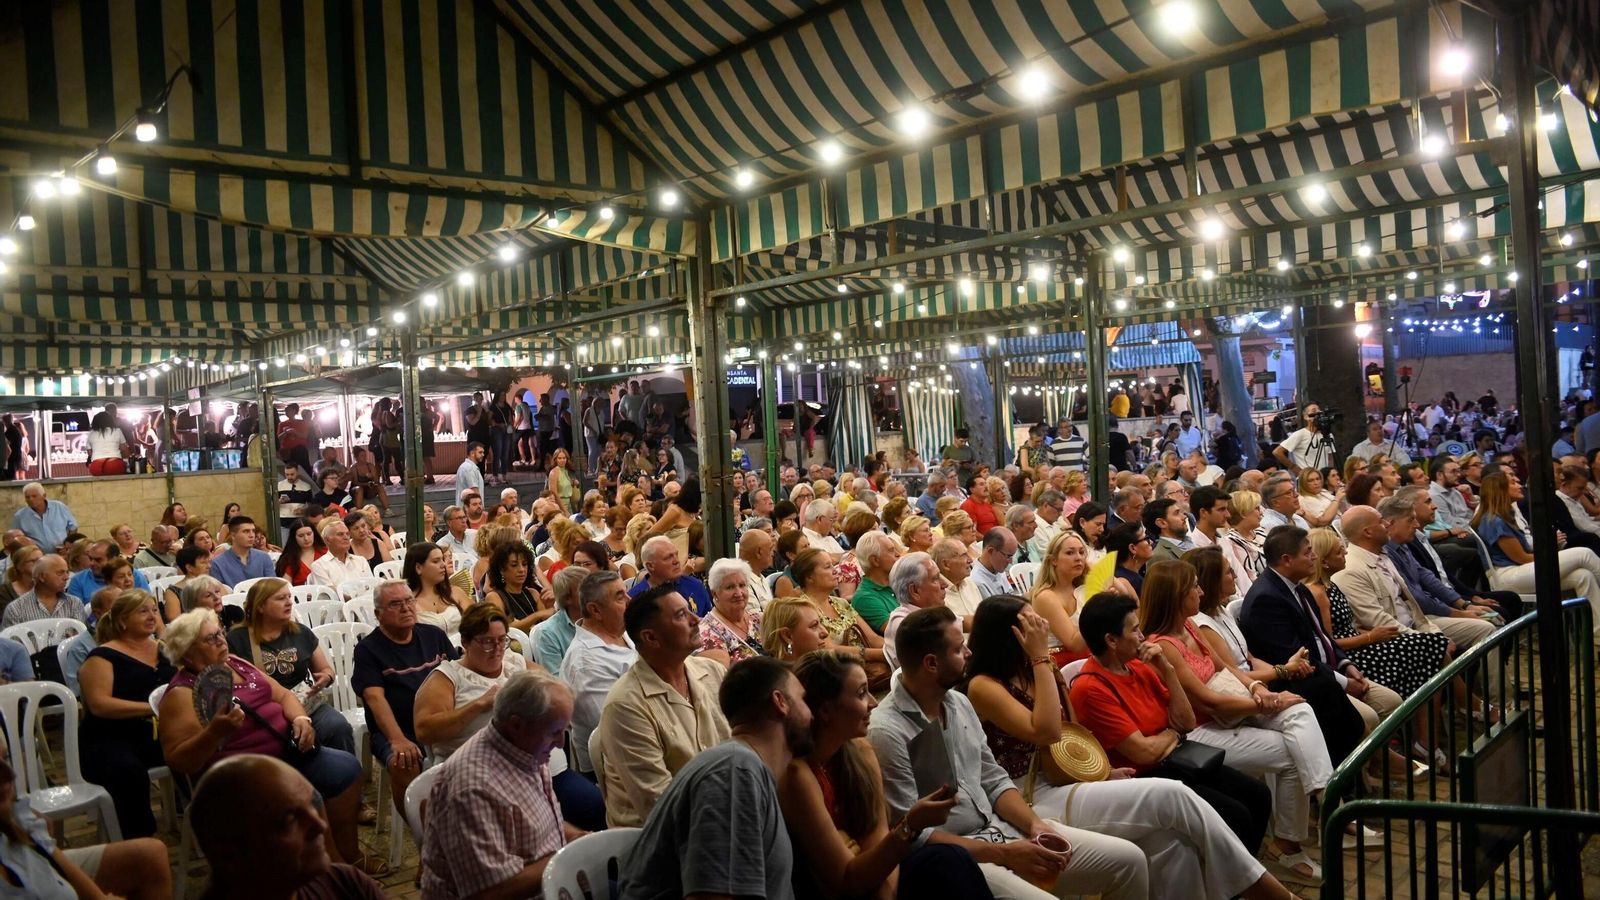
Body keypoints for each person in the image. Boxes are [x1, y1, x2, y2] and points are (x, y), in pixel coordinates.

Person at [964, 596, 1295, 900]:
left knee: (1174, 846)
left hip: (1066, 781)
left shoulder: (1040, 671)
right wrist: (1041, 658)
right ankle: (1267, 891)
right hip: (1027, 795)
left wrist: (1103, 773)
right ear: (1009, 633)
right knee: (1173, 794)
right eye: (1032, 622)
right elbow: (1048, 732)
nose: (1043, 627)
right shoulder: (985, 685)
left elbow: (1075, 738)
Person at [870, 605, 1152, 899]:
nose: (968, 653)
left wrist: (1036, 825)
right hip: (960, 855)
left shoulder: (957, 702)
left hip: (1002, 827)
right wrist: (1004, 853)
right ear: (931, 663)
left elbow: (993, 779)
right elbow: (912, 836)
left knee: (1129, 861)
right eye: (958, 649)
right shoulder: (887, 731)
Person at [1139, 561, 1331, 884]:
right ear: (1176, 595)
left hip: (1230, 711)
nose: (1200, 592)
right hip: (1200, 729)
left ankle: (1325, 792)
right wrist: (1263, 702)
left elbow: (1226, 668)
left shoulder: (1188, 627)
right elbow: (1206, 701)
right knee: (1292, 751)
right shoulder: (1164, 645)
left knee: (1299, 711)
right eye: (1194, 587)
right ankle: (1290, 840)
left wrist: (1257, 688)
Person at [1068, 593, 1274, 856]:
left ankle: (1239, 881)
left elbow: (1186, 721)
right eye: (1135, 630)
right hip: (1141, 779)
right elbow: (1142, 752)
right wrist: (1173, 733)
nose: (1143, 636)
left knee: (1257, 795)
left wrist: (1166, 669)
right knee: (1237, 815)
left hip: (1175, 760)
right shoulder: (1091, 688)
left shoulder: (1139, 667)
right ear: (1111, 640)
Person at [159, 608, 367, 869]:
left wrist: (301, 720)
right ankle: (330, 871)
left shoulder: (235, 662)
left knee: (346, 768)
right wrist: (215, 733)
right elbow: (180, 760)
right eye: (210, 639)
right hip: (239, 777)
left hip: (286, 753)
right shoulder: (182, 693)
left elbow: (283, 696)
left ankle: (348, 856)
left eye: (220, 633)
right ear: (187, 651)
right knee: (307, 795)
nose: (221, 640)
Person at [781, 649, 996, 899]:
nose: (873, 702)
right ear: (826, 710)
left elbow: (879, 846)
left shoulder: (860, 752)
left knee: (948, 860)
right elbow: (846, 879)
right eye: (861, 693)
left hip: (877, 883)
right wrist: (911, 825)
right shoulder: (797, 774)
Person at [616, 657, 804, 900]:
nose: (813, 713)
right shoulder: (735, 775)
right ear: (780, 703)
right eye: (804, 699)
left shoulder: (748, 768)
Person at [419, 670, 581, 900]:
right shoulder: (472, 788)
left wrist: (579, 838)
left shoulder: (525, 749)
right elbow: (488, 893)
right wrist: (568, 857)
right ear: (516, 725)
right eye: (554, 733)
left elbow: (534, 823)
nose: (560, 743)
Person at [1238, 527, 1397, 750]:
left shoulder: (1297, 586)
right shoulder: (1266, 599)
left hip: (1329, 669)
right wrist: (1343, 682)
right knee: (1368, 717)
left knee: (1392, 701)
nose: (1314, 557)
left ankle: (1375, 766)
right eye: (1307, 552)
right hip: (1300, 682)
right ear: (1286, 559)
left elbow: (1323, 637)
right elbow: (1296, 659)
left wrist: (1346, 664)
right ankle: (1359, 774)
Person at [596, 584, 732, 827]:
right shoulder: (625, 706)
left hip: (720, 812)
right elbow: (660, 806)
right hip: (659, 839)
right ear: (651, 637)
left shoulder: (712, 672)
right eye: (681, 615)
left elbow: (739, 752)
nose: (697, 619)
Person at [189, 755, 387, 900]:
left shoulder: (345, 883)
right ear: (229, 853)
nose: (320, 825)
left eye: (311, 806)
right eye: (290, 820)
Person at [352, 580, 459, 817]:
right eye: (395, 604)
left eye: (409, 601)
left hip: (439, 722)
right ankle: (423, 831)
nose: (406, 608)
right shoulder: (368, 649)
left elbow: (459, 674)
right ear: (378, 614)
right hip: (398, 728)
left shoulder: (434, 635)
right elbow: (375, 699)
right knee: (403, 761)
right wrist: (397, 739)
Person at [1304, 528, 1450, 701]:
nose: (1345, 552)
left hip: (1361, 643)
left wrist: (1373, 635)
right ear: (1325, 562)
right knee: (1432, 648)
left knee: (1432, 647)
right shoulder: (1318, 593)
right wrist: (1370, 637)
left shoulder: (1330, 585)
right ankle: (1466, 710)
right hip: (1353, 655)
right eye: (1338, 551)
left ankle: (1440, 722)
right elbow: (1330, 644)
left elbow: (1346, 629)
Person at [78, 590, 174, 838]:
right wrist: (151, 708)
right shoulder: (102, 657)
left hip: (158, 733)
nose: (152, 616)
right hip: (111, 738)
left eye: (154, 610)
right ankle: (137, 839)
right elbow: (100, 705)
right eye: (143, 611)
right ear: (122, 620)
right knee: (127, 771)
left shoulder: (164, 650)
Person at [1472, 469, 1600, 642]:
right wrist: (1553, 552)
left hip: (1521, 570)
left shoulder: (1505, 515)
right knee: (1584, 553)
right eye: (1513, 482)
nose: (1519, 485)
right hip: (1508, 576)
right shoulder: (1494, 521)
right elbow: (1522, 558)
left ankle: (1597, 635)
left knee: (1583, 576)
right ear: (1500, 489)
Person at [227, 578, 353, 753]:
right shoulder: (237, 639)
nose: (289, 602)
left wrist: (326, 677)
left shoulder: (301, 632)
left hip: (306, 703)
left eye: (289, 597)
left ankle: (344, 774)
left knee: (339, 727)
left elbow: (326, 669)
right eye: (280, 598)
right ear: (260, 606)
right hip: (267, 707)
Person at [559, 569, 637, 773]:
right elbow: (615, 727)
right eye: (620, 596)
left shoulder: (625, 634)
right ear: (595, 610)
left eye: (626, 592)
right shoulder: (585, 662)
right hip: (614, 769)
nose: (630, 600)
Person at [699, 559, 767, 664]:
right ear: (715, 594)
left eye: (742, 585)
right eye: (730, 587)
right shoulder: (708, 633)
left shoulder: (758, 620)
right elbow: (719, 678)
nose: (739, 593)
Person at [628, 535, 713, 615]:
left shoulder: (695, 585)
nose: (676, 561)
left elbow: (710, 623)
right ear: (650, 566)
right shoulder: (634, 600)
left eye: (676, 554)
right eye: (668, 557)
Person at [404, 542, 472, 636]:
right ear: (418, 568)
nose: (443, 564)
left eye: (443, 560)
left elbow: (477, 622)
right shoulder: (407, 604)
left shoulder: (455, 592)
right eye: (436, 561)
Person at [2, 553, 86, 627]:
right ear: (42, 577)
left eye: (67, 572)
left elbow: (80, 638)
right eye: (60, 573)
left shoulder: (74, 603)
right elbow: (11, 643)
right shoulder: (16, 609)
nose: (66, 577)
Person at [209, 516, 276, 588]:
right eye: (246, 531)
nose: (252, 535)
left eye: (253, 531)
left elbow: (273, 586)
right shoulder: (217, 563)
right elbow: (218, 592)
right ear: (233, 536)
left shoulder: (264, 557)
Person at [1220, 490, 1267, 593]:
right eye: (1257, 508)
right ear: (1244, 512)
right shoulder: (1233, 541)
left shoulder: (1261, 532)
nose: (1261, 512)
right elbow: (1250, 580)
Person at [11, 484, 76, 553]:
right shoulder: (20, 516)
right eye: (27, 497)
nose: (31, 499)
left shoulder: (59, 507)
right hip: (37, 558)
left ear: (44, 496)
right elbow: (18, 538)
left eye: (34, 496)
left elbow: (73, 527)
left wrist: (67, 545)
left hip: (63, 554)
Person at [308, 517, 371, 589]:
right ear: (328, 540)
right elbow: (331, 594)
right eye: (340, 534)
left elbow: (371, 586)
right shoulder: (319, 566)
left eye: (347, 534)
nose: (346, 537)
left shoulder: (361, 561)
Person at [1272, 403, 1336, 473]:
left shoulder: (1327, 434)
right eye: (1314, 411)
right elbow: (1277, 452)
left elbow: (1330, 457)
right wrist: (1294, 468)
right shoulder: (1300, 434)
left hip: (1323, 478)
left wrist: (1330, 474)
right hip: (1308, 479)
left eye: (1319, 410)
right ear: (1306, 417)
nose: (1318, 413)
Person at [274, 518, 323, 587]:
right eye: (301, 536)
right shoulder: (289, 559)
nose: (306, 538)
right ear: (294, 538)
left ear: (314, 533)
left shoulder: (325, 552)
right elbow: (286, 586)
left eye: (309, 534)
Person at [972, 528, 1018, 598]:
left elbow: (1011, 597)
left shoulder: (998, 568)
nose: (1011, 561)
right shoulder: (977, 582)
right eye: (1008, 556)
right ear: (991, 551)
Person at [455, 441, 487, 507]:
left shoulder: (467, 466)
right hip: (469, 511)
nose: (483, 455)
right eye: (480, 452)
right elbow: (474, 491)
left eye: (483, 452)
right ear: (472, 453)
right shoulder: (470, 468)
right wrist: (480, 508)